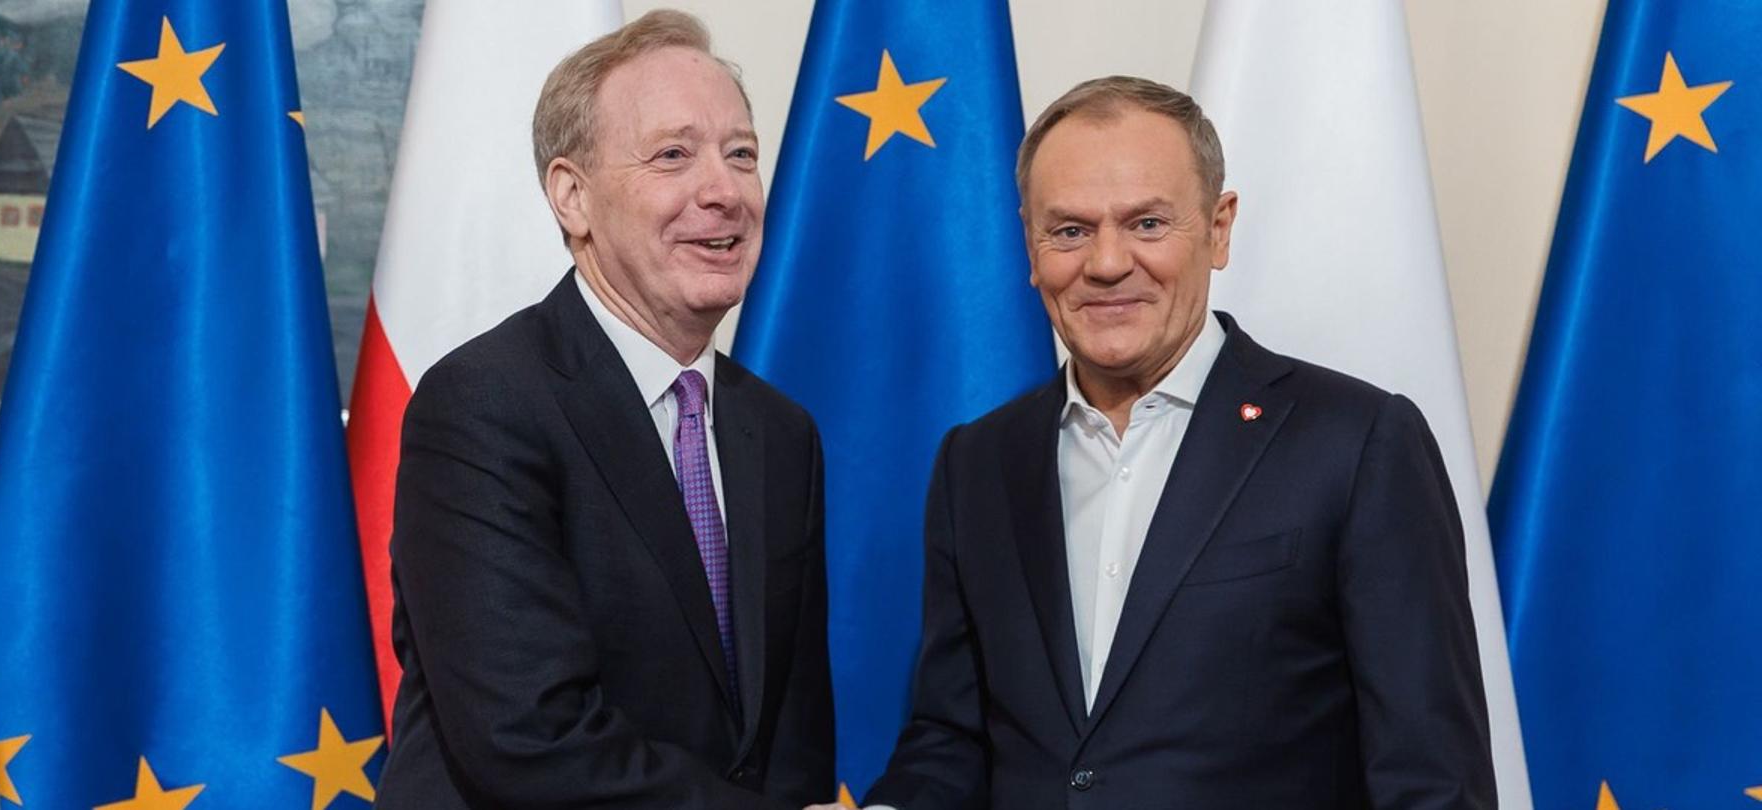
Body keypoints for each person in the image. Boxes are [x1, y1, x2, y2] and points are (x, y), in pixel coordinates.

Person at [830, 76, 1497, 809]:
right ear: (1029, 244)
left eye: (1147, 224)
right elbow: (954, 740)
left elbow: (1433, 780)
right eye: (1070, 230)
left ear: (1218, 228)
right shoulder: (978, 463)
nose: (1107, 263)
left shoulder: (1357, 443)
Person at [378, 11, 834, 808]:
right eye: (673, 155)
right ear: (573, 197)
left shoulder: (780, 431)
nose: (724, 192)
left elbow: (789, 741)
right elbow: (529, 740)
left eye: (741, 154)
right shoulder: (483, 406)